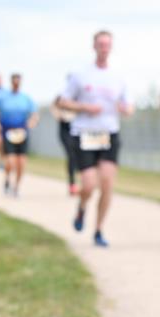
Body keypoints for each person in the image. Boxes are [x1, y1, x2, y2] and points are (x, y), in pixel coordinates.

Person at [59, 31, 134, 247]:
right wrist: (84, 107)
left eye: (107, 44)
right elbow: (63, 101)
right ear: (94, 46)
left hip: (109, 133)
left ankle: (99, 230)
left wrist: (125, 108)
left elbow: (129, 106)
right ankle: (82, 207)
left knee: (108, 183)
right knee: (90, 184)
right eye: (100, 44)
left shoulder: (118, 76)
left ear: (111, 47)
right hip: (84, 133)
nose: (104, 47)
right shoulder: (81, 74)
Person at [0, 74, 38, 197]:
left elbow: (34, 115)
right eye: (14, 82)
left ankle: (16, 188)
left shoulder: (26, 98)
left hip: (22, 131)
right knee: (10, 162)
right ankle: (7, 179)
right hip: (8, 131)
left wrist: (31, 123)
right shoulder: (3, 98)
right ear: (11, 82)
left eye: (18, 82)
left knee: (21, 163)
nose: (16, 84)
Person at [52, 76, 80, 195]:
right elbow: (54, 107)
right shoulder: (62, 96)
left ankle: (81, 182)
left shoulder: (79, 96)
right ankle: (72, 184)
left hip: (78, 129)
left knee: (79, 156)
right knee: (71, 154)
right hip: (65, 129)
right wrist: (59, 115)